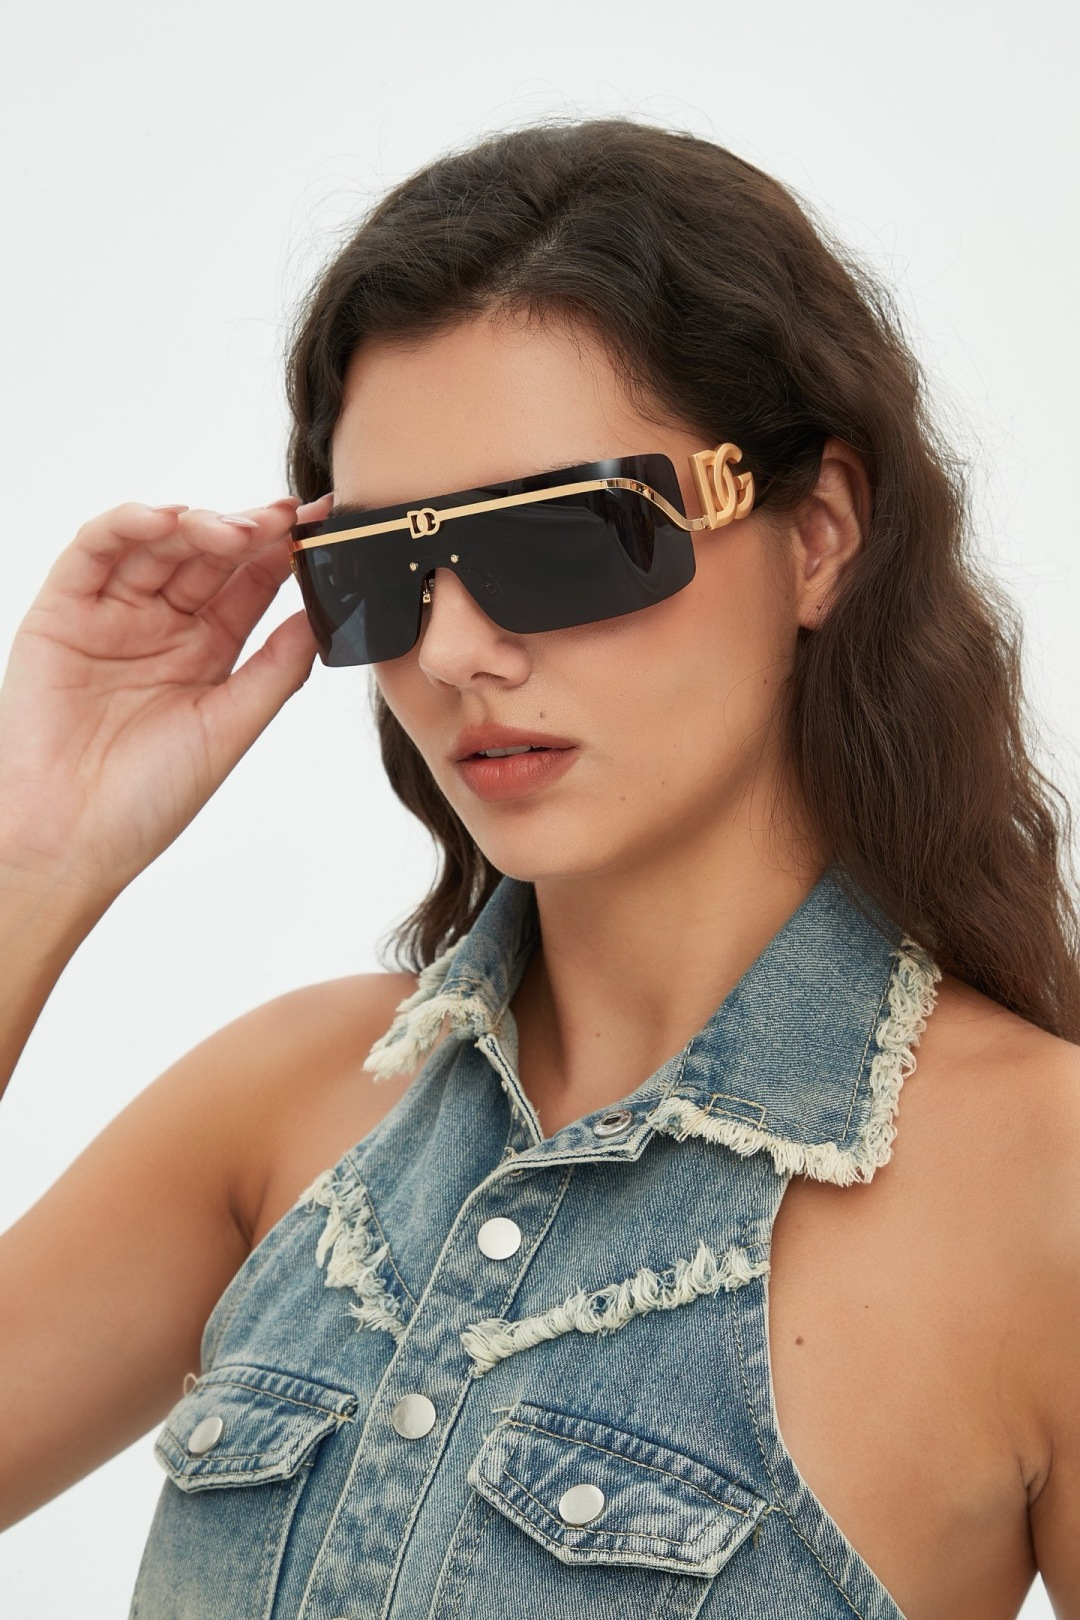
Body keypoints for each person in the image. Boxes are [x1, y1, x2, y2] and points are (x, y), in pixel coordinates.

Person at [0, 116, 1077, 1620]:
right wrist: (36, 855)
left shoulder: (1043, 1193)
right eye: (380, 570)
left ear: (820, 533)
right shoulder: (284, 1108)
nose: (453, 650)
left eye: (564, 541)